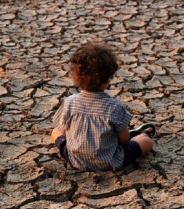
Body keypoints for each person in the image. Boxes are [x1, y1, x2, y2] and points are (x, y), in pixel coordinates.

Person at [50, 41, 155, 171]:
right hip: (109, 161)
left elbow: (63, 129)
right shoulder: (114, 107)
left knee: (55, 131)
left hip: (74, 159)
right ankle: (141, 134)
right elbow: (124, 139)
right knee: (146, 141)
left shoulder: (69, 102)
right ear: (107, 79)